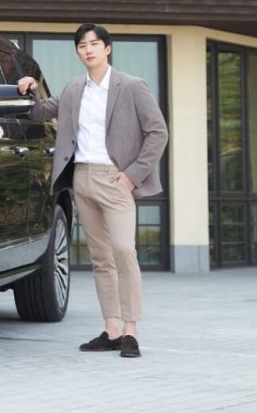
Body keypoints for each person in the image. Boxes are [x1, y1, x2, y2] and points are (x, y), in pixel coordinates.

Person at [17, 23, 167, 358]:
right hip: (81, 179)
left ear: (107, 48)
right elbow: (41, 112)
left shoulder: (131, 86)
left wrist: (132, 176)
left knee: (123, 250)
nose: (88, 49)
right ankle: (112, 329)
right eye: (82, 45)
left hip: (116, 180)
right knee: (100, 258)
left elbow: (158, 133)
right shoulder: (73, 89)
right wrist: (30, 87)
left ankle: (131, 330)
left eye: (94, 43)